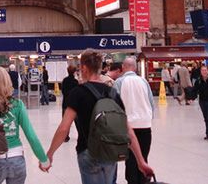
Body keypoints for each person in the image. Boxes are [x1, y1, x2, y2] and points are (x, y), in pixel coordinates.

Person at [45, 50, 154, 184]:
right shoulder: (112, 92)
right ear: (100, 68)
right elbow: (128, 131)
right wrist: (141, 161)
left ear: (84, 68)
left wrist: (50, 154)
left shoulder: (78, 93)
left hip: (88, 152)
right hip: (110, 151)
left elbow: (64, 128)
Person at [114, 57, 155, 184]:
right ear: (135, 68)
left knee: (130, 159)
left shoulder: (119, 82)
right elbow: (151, 103)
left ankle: (132, 181)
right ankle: (143, 180)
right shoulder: (144, 81)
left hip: (128, 127)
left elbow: (114, 105)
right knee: (143, 157)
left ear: (123, 67)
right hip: (145, 125)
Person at [61, 65, 79, 142]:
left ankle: (65, 136)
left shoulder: (64, 80)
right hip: (74, 104)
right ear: (74, 72)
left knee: (66, 121)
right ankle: (81, 135)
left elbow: (63, 91)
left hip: (65, 103)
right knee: (78, 122)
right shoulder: (75, 82)